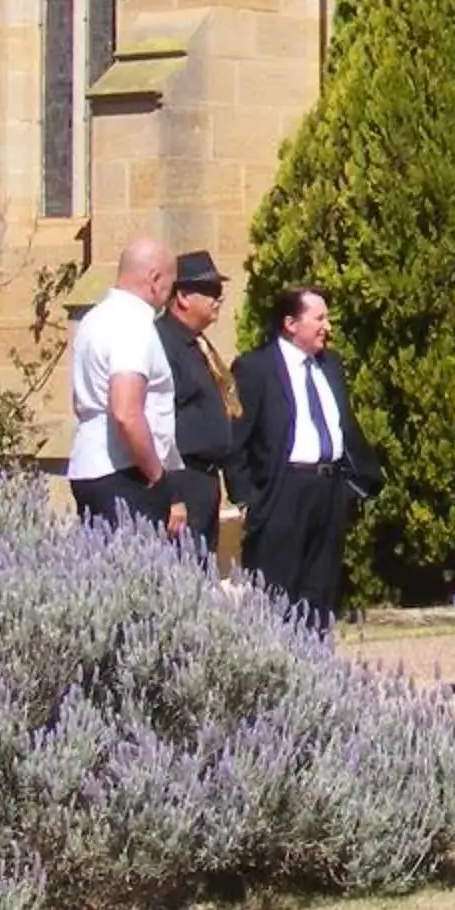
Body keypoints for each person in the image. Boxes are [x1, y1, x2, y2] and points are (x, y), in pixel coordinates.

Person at [232, 285, 378, 632]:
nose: (328, 326)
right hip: (283, 491)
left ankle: (315, 667)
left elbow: (345, 426)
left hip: (329, 490)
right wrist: (249, 499)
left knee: (320, 590)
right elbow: (237, 438)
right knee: (278, 592)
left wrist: (359, 483)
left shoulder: (331, 366)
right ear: (290, 323)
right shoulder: (257, 368)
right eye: (319, 318)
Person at [66, 238, 179, 526]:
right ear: (155, 279)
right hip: (125, 473)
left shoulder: (94, 318)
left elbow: (81, 400)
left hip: (89, 466)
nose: (170, 295)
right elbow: (126, 411)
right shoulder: (132, 324)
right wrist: (158, 476)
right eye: (170, 284)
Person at [155, 249, 239, 554]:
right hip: (183, 477)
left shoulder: (198, 344)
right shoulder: (165, 343)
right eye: (210, 291)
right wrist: (173, 492)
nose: (218, 299)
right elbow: (161, 421)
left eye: (219, 292)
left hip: (205, 479)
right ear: (183, 297)